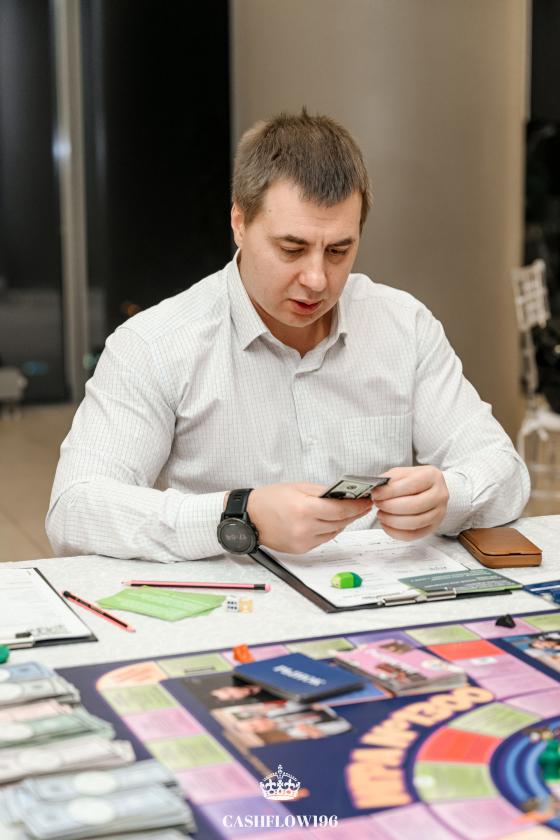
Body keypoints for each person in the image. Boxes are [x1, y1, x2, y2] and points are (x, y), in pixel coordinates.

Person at [46, 110, 530, 563]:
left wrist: (447, 497)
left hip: (379, 599)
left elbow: (503, 470)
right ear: (239, 222)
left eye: (338, 251)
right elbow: (74, 508)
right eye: (292, 249)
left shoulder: (403, 325)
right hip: (237, 603)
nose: (317, 280)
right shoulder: (156, 343)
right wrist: (239, 515)